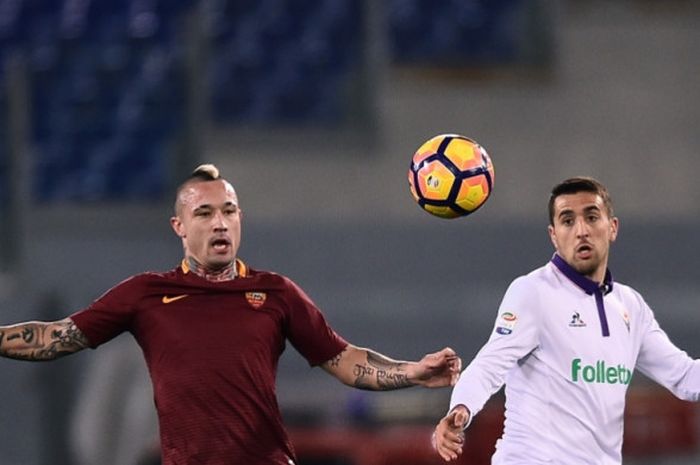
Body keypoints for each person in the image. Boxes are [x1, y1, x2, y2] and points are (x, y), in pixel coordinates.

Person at [0, 163, 462, 465]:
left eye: (229, 211)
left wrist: (413, 372)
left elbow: (343, 360)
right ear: (179, 227)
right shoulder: (146, 294)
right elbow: (55, 337)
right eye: (204, 213)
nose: (220, 222)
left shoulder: (275, 293)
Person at [433, 176, 700, 465]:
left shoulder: (630, 306)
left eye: (592, 217)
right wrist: (461, 407)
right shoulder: (533, 292)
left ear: (612, 228)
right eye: (568, 221)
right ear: (554, 235)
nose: (581, 230)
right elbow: (490, 364)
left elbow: (685, 376)